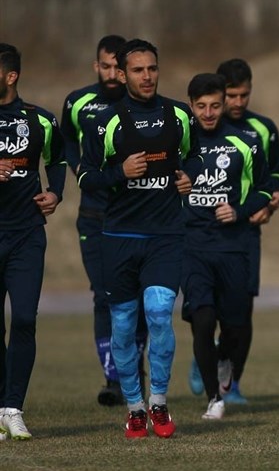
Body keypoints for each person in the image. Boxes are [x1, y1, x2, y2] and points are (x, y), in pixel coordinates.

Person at [78, 39, 202, 438]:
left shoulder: (178, 115)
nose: (146, 76)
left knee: (160, 314)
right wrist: (120, 173)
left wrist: (189, 175)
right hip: (118, 237)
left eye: (152, 68)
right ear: (121, 74)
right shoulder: (104, 122)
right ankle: (134, 407)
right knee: (124, 324)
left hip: (165, 235)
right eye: (137, 70)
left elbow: (196, 155)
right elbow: (85, 176)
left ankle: (159, 402)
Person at [61, 34, 149, 407]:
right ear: (96, 66)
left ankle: (135, 372)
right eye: (106, 66)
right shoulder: (78, 102)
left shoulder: (146, 106)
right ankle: (113, 378)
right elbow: (66, 140)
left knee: (139, 299)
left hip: (136, 215)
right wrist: (78, 167)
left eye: (118, 67)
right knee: (104, 296)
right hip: (94, 215)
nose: (112, 74)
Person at [181, 73, 271, 421]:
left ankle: (224, 361)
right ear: (191, 106)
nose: (208, 113)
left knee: (235, 326)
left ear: (223, 104)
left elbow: (265, 189)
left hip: (234, 248)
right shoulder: (177, 144)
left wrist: (239, 210)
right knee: (202, 321)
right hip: (192, 248)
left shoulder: (245, 142)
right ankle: (213, 399)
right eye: (201, 106)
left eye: (215, 106)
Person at [200, 58, 279, 405]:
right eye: (231, 96)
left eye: (244, 95)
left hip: (246, 233)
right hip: (203, 236)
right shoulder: (199, 131)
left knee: (241, 311)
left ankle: (231, 379)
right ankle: (206, 354)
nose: (237, 103)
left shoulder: (262, 129)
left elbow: (277, 175)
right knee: (207, 309)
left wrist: (269, 207)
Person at [0, 43, 66, 441]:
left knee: (24, 318)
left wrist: (56, 192)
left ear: (11, 76)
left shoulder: (39, 119)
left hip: (26, 234)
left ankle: (13, 408)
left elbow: (58, 159)